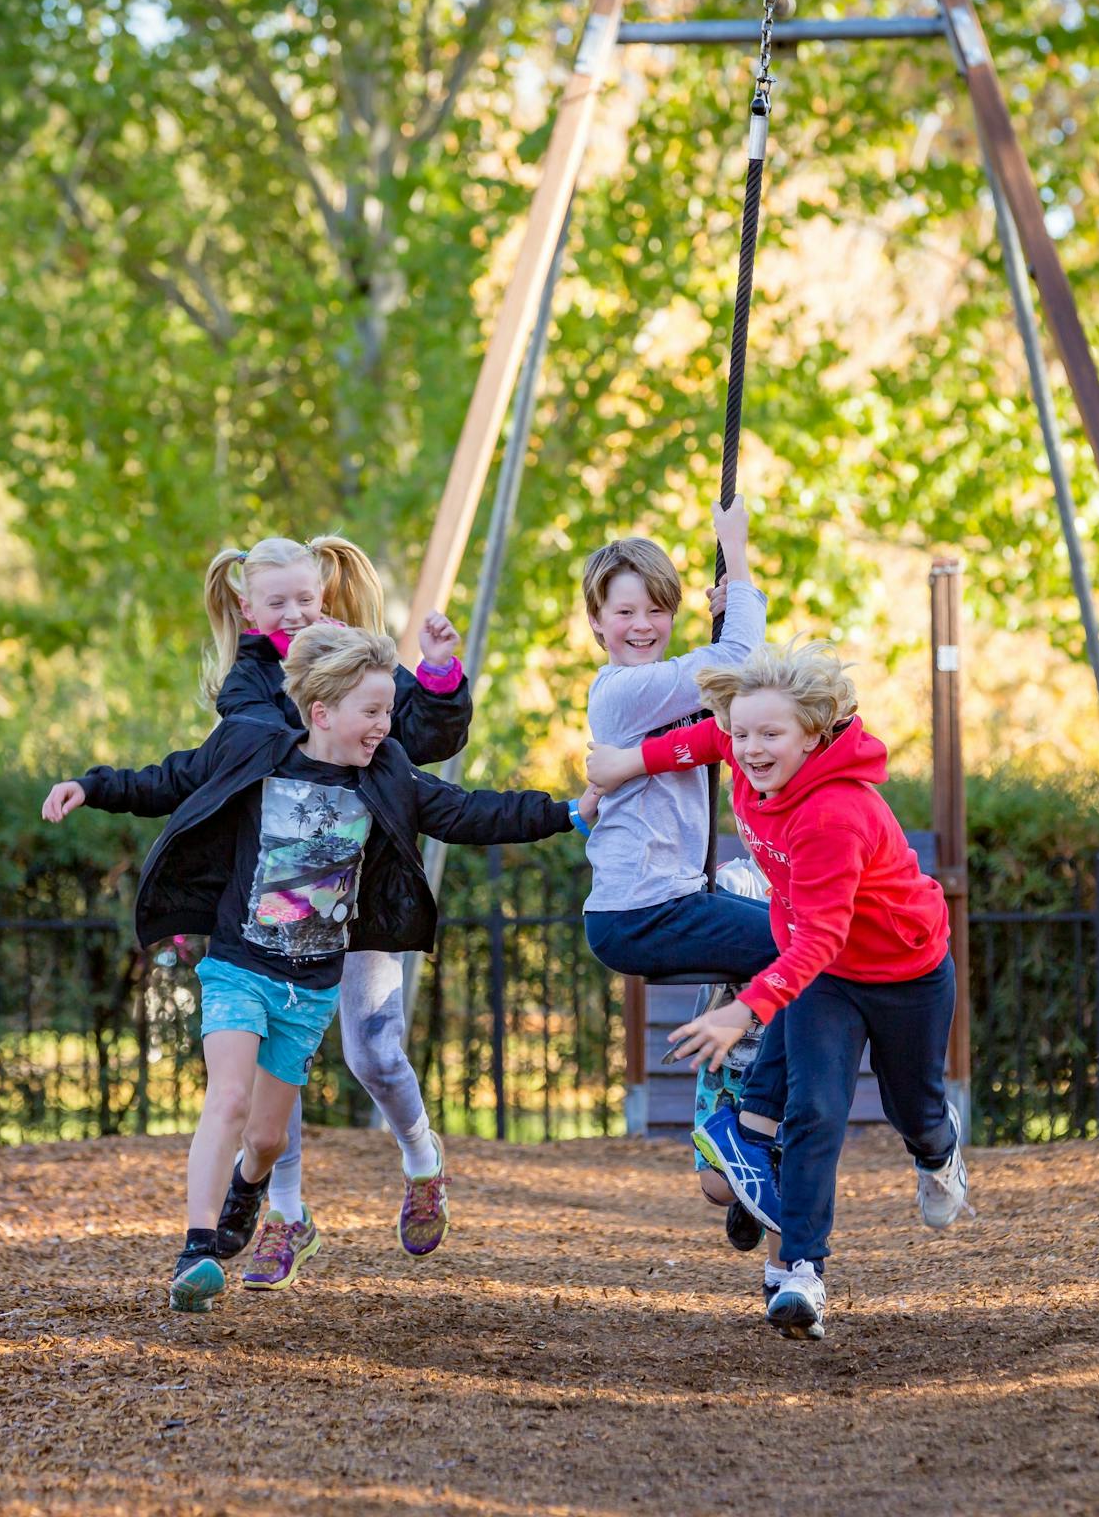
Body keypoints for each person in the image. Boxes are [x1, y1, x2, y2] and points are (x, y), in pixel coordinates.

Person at [43, 624, 593, 1313]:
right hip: (239, 964)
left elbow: (467, 811)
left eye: (388, 710)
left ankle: (251, 1190)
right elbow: (167, 779)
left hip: (309, 988)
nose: (385, 725)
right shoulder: (253, 750)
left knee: (268, 1138)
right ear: (322, 713)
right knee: (230, 1098)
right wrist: (89, 787)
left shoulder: (385, 775)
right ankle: (195, 1249)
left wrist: (567, 812)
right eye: (372, 712)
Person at [586, 640, 971, 1341]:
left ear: (813, 736)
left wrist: (743, 1009)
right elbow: (704, 737)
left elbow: (821, 936)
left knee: (911, 1108)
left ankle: (940, 1153)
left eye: (771, 734)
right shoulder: (744, 753)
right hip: (827, 978)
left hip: (904, 970)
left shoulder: (834, 813)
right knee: (816, 1109)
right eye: (744, 733)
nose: (751, 748)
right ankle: (800, 1272)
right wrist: (627, 763)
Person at [195, 534, 473, 1287]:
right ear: (249, 608)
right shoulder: (249, 683)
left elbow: (424, 735)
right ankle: (285, 1216)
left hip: (362, 895)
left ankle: (422, 1159)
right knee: (270, 1076)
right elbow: (242, 764)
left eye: (305, 599)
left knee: (373, 1054)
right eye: (276, 602)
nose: (293, 612)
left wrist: (442, 679)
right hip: (287, 906)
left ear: (325, 592)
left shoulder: (360, 661)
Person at [577, 495, 787, 1252]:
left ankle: (739, 1121)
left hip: (661, 902)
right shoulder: (624, 690)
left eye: (657, 610)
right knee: (799, 953)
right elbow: (739, 665)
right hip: (641, 912)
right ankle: (744, 1118)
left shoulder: (655, 691)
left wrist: (732, 606)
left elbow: (721, 718)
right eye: (625, 611)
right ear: (596, 622)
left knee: (775, 946)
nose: (643, 625)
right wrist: (738, 555)